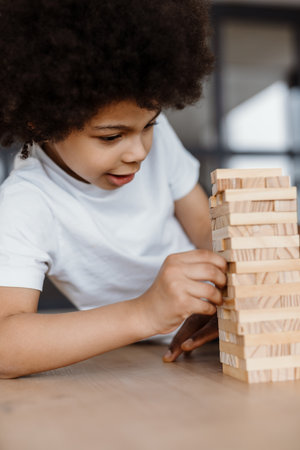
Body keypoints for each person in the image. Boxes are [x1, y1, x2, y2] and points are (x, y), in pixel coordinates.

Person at [0, 0, 227, 379]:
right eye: (111, 137)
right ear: (40, 122)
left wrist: (240, 292)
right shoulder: (26, 203)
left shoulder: (145, 129)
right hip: (153, 362)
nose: (138, 152)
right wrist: (145, 312)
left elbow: (205, 227)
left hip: (219, 335)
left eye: (149, 126)